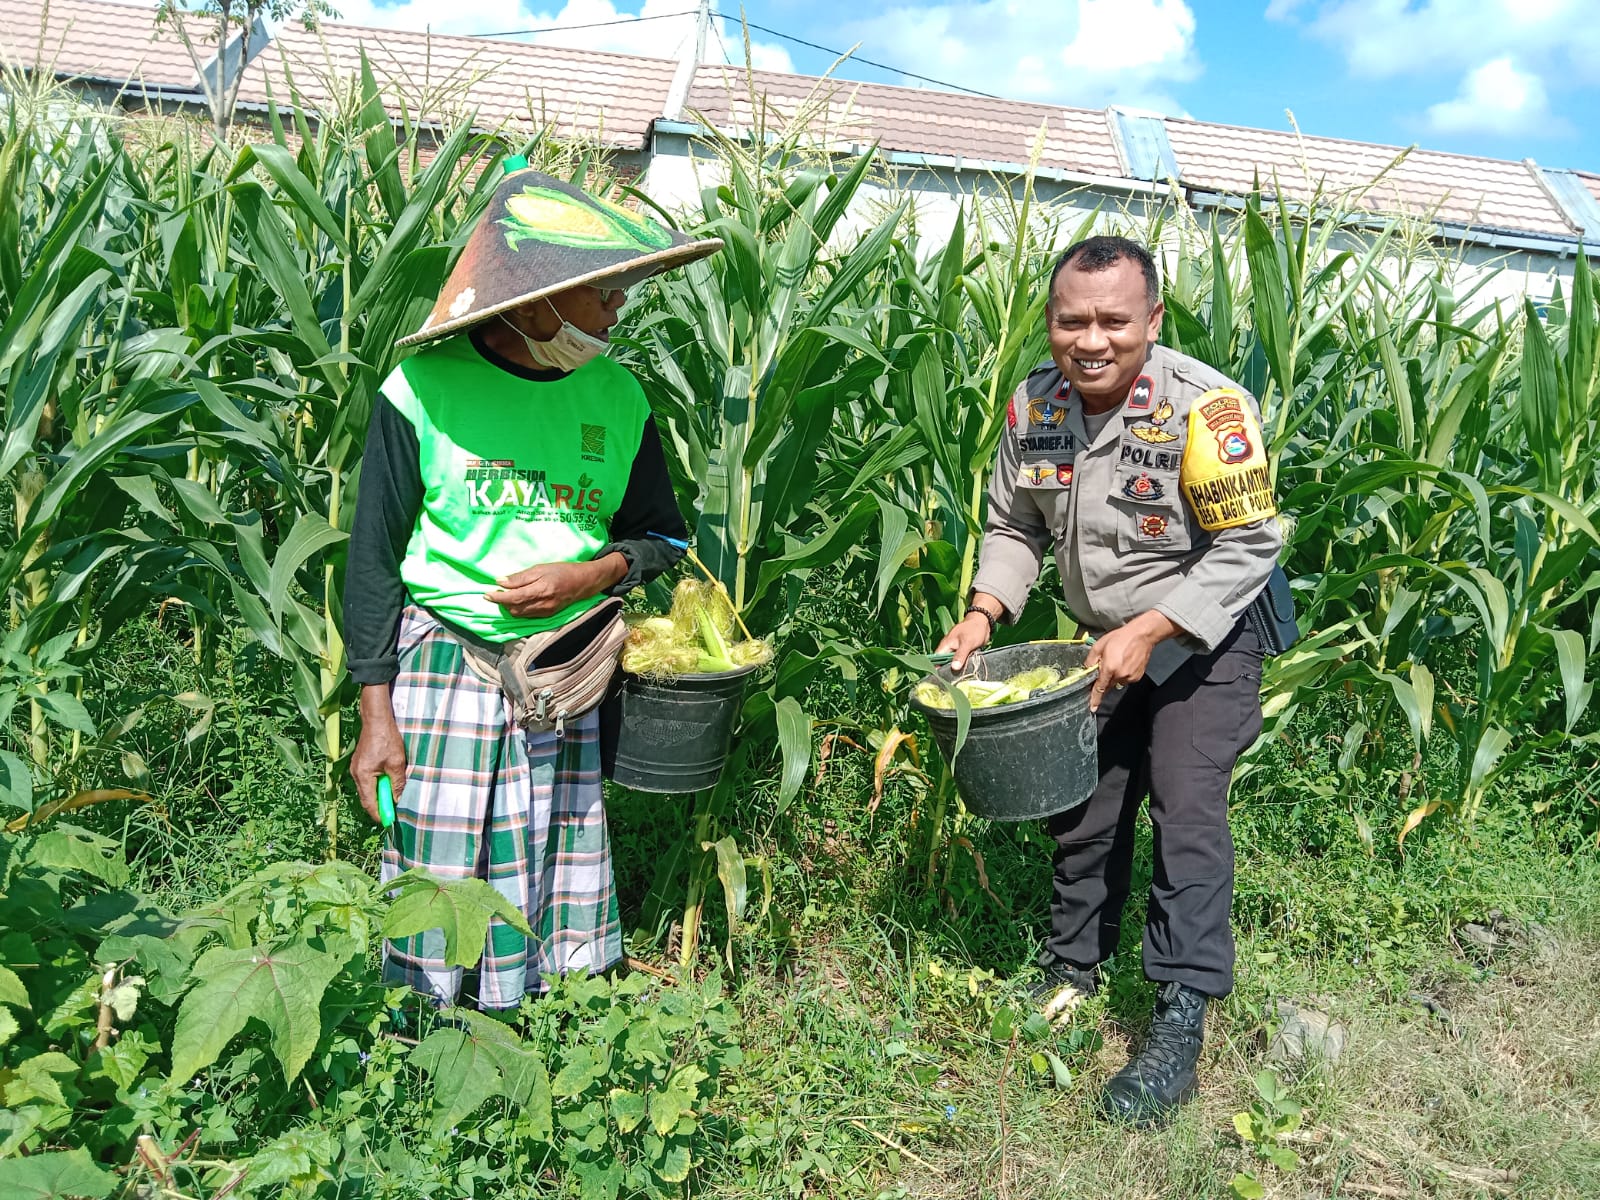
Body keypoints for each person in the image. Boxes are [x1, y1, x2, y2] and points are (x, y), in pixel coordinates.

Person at [344, 160, 721, 1011]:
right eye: (606, 294)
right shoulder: (424, 391)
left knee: (545, 848)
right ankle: (420, 1025)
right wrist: (376, 715)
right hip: (447, 664)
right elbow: (372, 558)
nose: (617, 310)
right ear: (544, 298)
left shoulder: (619, 396)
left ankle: (529, 1016)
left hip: (563, 673)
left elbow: (661, 537)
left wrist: (589, 574)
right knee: (437, 868)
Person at [936, 235, 1282, 1126]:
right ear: (1051, 320)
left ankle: (1179, 1017)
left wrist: (1158, 626)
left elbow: (1250, 544)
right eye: (1072, 320)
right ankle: (1071, 973)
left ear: (1152, 320)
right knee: (1085, 802)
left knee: (1185, 801)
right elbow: (1013, 525)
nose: (1091, 340)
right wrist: (982, 613)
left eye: (1114, 321)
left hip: (1208, 634)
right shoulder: (1035, 406)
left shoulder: (1209, 409)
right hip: (1103, 638)